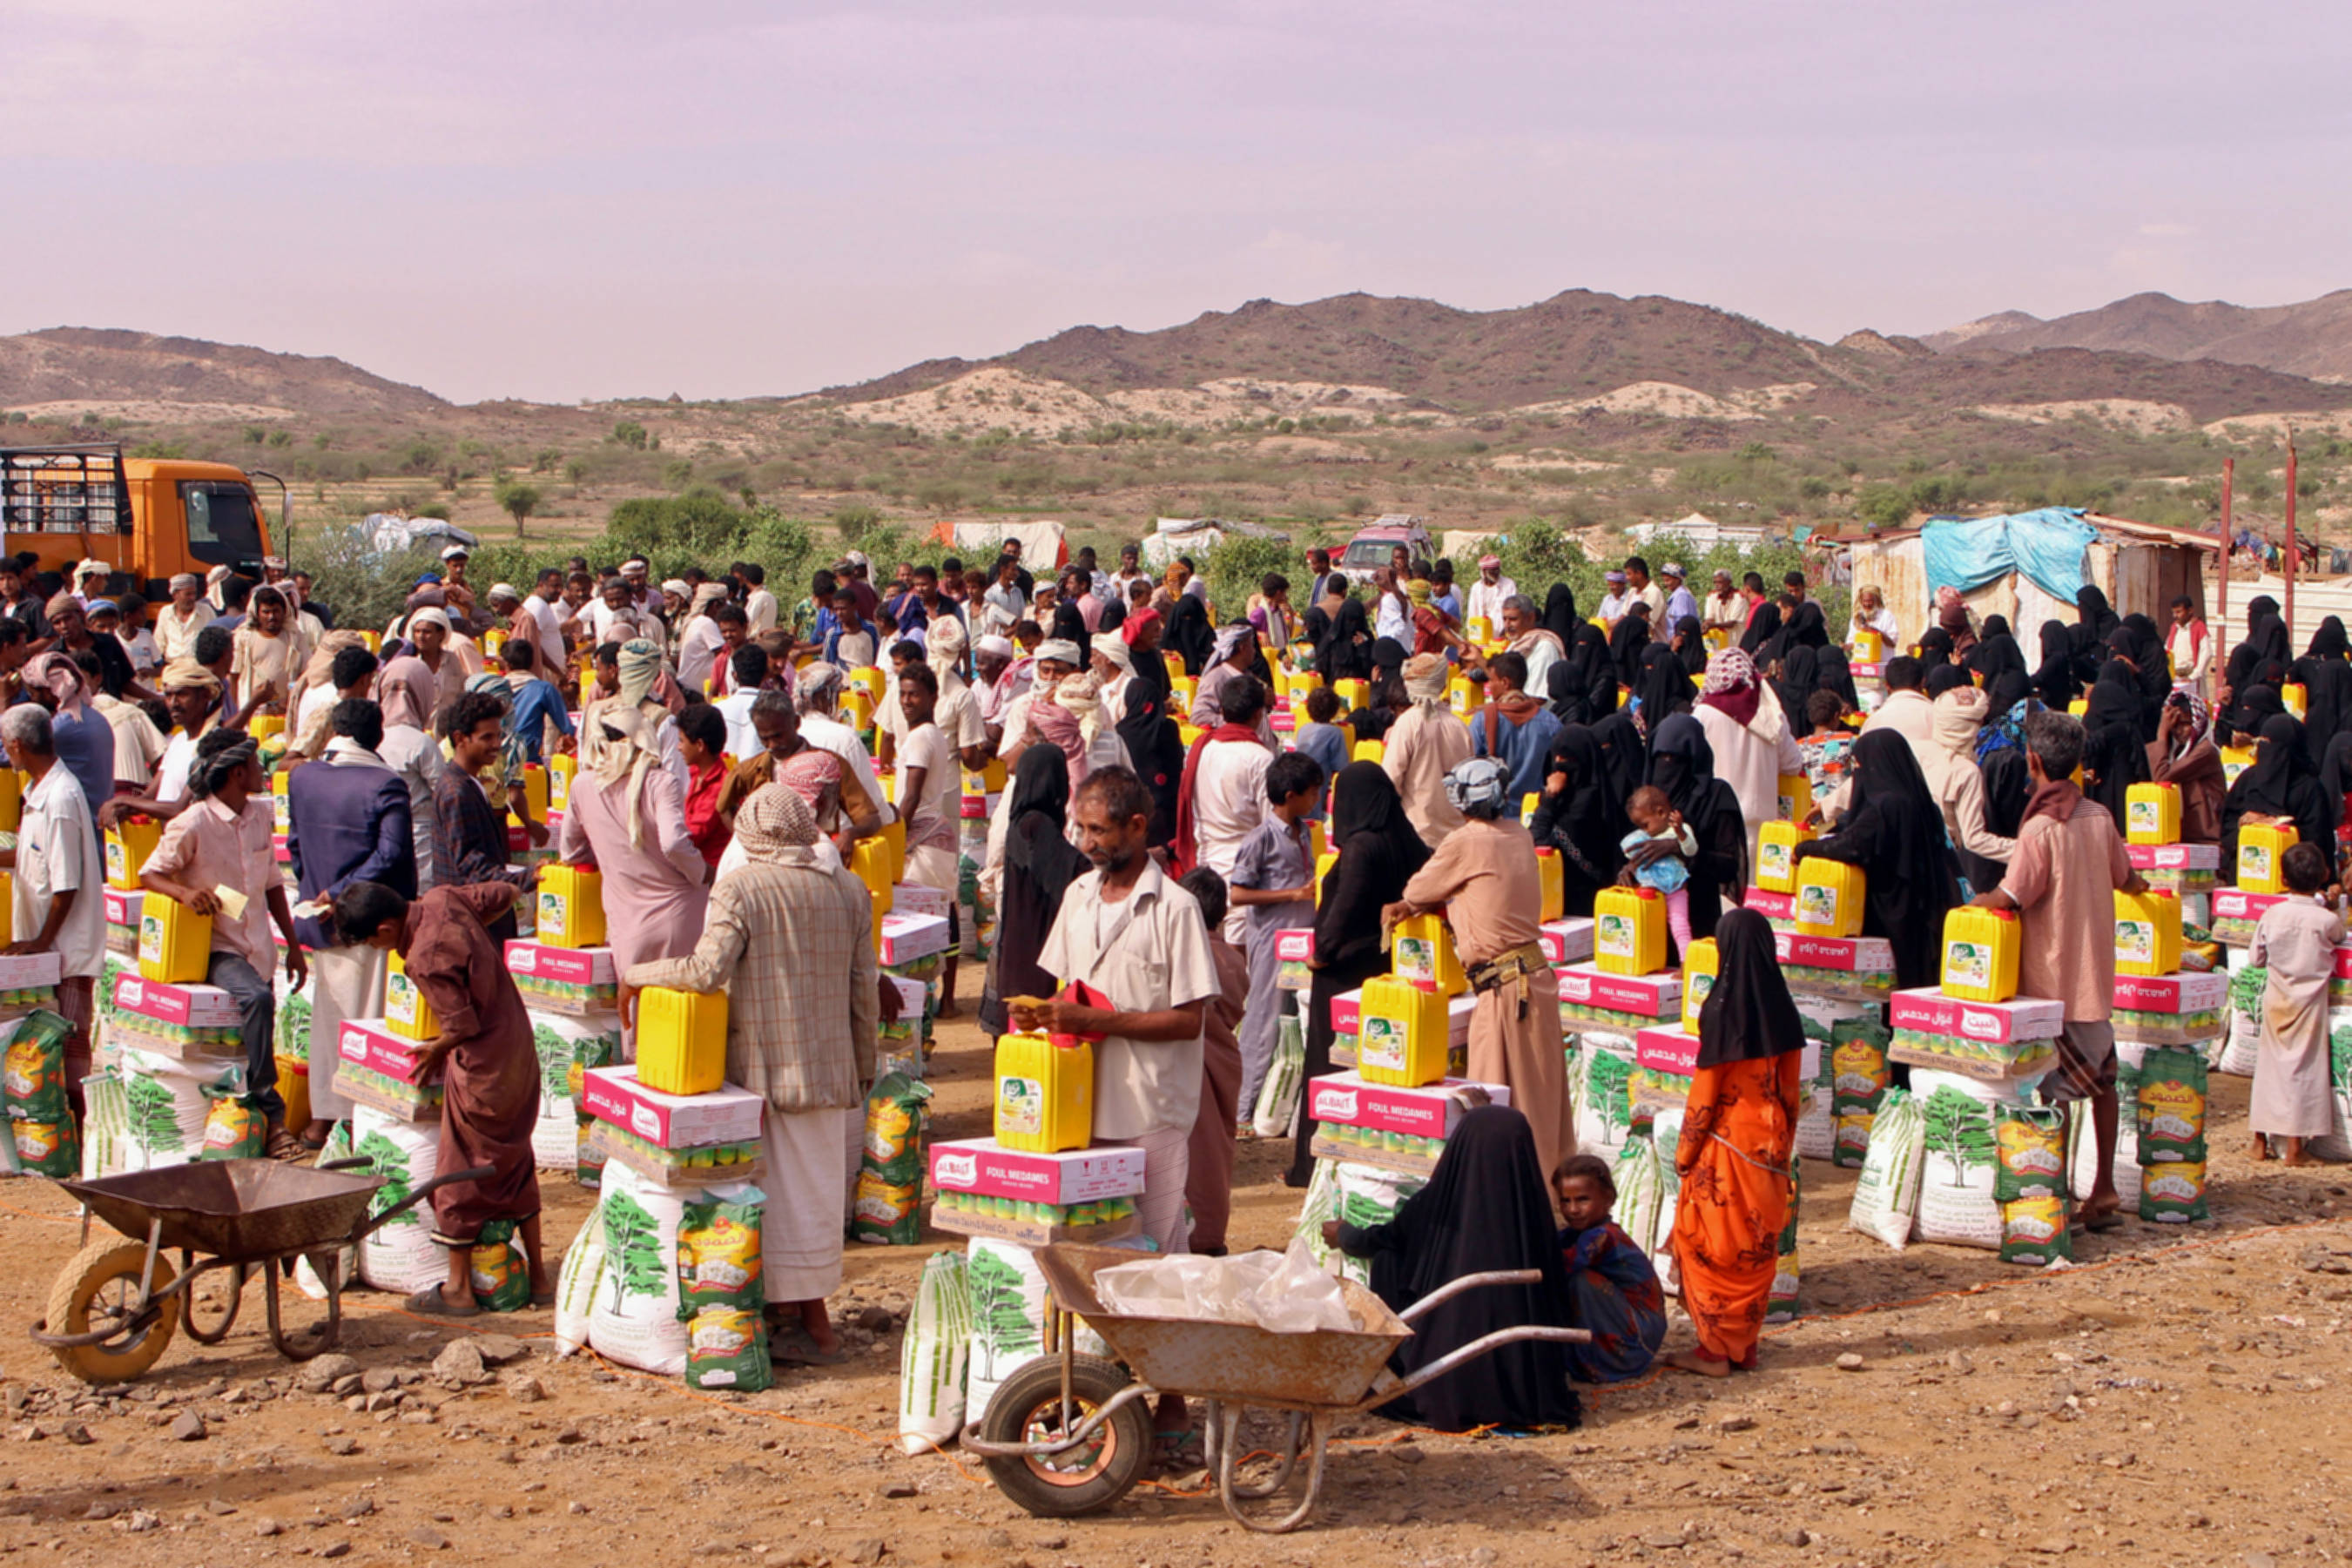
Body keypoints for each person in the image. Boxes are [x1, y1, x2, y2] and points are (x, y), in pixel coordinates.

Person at [625, 784, 876, 1363]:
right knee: (813, 1193)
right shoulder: (848, 890)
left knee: (771, 1196)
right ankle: (806, 1318)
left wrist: (639, 974)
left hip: (762, 1069)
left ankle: (805, 1325)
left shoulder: (743, 886)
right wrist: (863, 1066)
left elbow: (706, 969)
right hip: (830, 1069)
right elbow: (864, 986)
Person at [1015, 766, 1216, 1266]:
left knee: (1156, 1250)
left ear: (1137, 826)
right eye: (1081, 829)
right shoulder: (1079, 896)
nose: (1087, 843)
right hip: (1079, 1107)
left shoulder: (1177, 908)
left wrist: (1098, 1023)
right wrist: (1045, 1016)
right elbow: (1068, 990)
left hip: (1149, 1109)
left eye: (1099, 830)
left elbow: (1188, 1021)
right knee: (1096, 1248)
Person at [335, 879, 549, 1316]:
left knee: (458, 1173)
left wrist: (435, 1049)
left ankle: (458, 1290)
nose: (378, 952)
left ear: (384, 930)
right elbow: (502, 894)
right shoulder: (443, 898)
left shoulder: (424, 959)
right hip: (521, 1051)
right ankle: (540, 1279)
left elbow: (462, 1026)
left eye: (374, 944)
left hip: (486, 1067)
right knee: (513, 1159)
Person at [1970, 710, 2141, 1233]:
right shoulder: (2100, 819)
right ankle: (2104, 1187)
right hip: (2095, 977)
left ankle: (2061, 1194)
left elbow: (2014, 895)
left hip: (2050, 979)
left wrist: (1975, 904)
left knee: (2056, 1092)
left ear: (2034, 762)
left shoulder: (2040, 829)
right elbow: (2127, 879)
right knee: (2103, 1082)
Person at [1322, 1107, 1581, 1430]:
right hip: (1526, 1387)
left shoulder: (1438, 1203)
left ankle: (1401, 1364)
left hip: (1443, 1381)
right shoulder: (1533, 1213)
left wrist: (1344, 1234)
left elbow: (1387, 1237)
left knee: (1390, 1258)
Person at [1387, 757, 1576, 1180]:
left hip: (1506, 989)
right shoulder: (1519, 834)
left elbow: (1418, 888)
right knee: (1541, 1102)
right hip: (1534, 977)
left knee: (1500, 1103)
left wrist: (1412, 904)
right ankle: (1548, 1196)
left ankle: (1514, 1203)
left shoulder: (1465, 842)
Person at [139, 731, 307, 1159]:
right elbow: (150, 872)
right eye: (255, 765)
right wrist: (184, 895)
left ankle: (252, 1116)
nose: (262, 773)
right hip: (218, 944)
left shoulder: (256, 817)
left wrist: (292, 944)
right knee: (255, 1000)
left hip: (257, 944)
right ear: (237, 772)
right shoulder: (193, 822)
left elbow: (271, 885)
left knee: (261, 1011)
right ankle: (272, 1115)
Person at [1665, 908, 1803, 1376]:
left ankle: (1714, 1351)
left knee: (1711, 1243)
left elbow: (1704, 1096)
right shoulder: (1783, 1009)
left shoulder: (1721, 1011)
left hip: (1726, 1148)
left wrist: (1685, 1155)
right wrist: (1782, 1146)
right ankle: (1745, 1345)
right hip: (1770, 1148)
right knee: (1757, 1245)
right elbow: (1790, 1095)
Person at [1284, 762, 1430, 1184]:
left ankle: (1317, 1165)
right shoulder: (1404, 836)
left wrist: (1322, 951)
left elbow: (1346, 905)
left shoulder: (1363, 846)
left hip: (1345, 970)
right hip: (1387, 966)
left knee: (1330, 1065)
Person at [286, 698, 418, 1144]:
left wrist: (319, 893)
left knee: (329, 1018)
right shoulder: (386, 784)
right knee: (370, 1016)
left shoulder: (302, 777)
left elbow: (296, 845)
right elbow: (392, 852)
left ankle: (324, 1115)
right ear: (376, 736)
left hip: (321, 920)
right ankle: (353, 1114)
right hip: (372, 916)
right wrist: (342, 892)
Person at [558, 644, 711, 993]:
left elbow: (570, 848)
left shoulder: (586, 770)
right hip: (676, 903)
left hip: (622, 905)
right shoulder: (662, 740)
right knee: (674, 1010)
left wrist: (608, 852)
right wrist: (701, 873)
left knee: (631, 1008)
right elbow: (674, 835)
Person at [1793, 730, 1961, 991]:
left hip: (1893, 909)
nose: (1858, 772)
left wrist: (1805, 849)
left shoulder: (1886, 805)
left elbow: (1854, 846)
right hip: (1923, 904)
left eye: (1859, 765)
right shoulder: (1917, 801)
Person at [0, 705, 104, 1114]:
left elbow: (66, 884)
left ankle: (78, 1129)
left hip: (66, 947)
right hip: (46, 946)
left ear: (18, 746)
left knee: (70, 1042)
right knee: (47, 1044)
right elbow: (32, 858)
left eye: (8, 750)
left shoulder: (59, 798)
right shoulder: (38, 793)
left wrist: (41, 942)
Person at [1226, 752, 1320, 1123]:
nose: (1317, 798)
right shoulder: (1260, 839)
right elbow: (1238, 894)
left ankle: (1277, 1104)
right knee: (1263, 1020)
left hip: (1302, 939)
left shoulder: (1304, 832)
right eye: (1313, 792)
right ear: (1291, 794)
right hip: (1272, 941)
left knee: (1293, 1020)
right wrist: (1292, 895)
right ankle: (1243, 1107)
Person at [2249, 843, 2343, 1166]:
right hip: (2309, 1004)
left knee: (2269, 1067)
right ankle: (2294, 1148)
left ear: (2282, 878)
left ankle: (2259, 1142)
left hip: (2277, 999)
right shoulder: (2325, 921)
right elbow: (2340, 937)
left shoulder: (2272, 914)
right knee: (2304, 1070)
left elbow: (2256, 958)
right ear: (2325, 875)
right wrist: (2330, 906)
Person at [1177, 867, 1250, 1257]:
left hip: (1186, 1062)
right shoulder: (1231, 959)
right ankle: (1208, 1236)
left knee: (1188, 1155)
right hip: (1222, 1062)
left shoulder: (1179, 952)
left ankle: (1190, 1237)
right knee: (1213, 1155)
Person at [1553, 1154, 1666, 1384]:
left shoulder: (1605, 1237)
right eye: (1565, 1201)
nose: (1573, 1209)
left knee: (1581, 1281)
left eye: (1583, 1200)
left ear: (1609, 1199)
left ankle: (1600, 1362)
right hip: (1623, 1320)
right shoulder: (1574, 1235)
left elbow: (1559, 1265)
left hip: (1639, 1337)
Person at [431, 690, 532, 944]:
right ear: (460, 739)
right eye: (486, 737)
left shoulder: (469, 783)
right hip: (470, 925)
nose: (496, 745)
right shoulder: (457, 791)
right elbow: (472, 867)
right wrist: (528, 878)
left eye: (498, 736)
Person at [1690, 649, 1803, 872]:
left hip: (1718, 818)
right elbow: (1793, 764)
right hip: (1763, 819)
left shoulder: (1703, 714)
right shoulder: (1770, 714)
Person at [892, 663, 965, 1011]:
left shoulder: (921, 737)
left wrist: (894, 841)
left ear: (932, 697)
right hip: (934, 834)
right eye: (903, 693)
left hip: (922, 837)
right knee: (945, 912)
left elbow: (911, 795)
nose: (907, 701)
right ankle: (947, 996)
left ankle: (933, 996)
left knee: (921, 920)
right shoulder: (932, 734)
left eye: (914, 694)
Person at [1643, 715, 1746, 942]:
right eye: (1661, 758)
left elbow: (1729, 865)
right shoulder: (1645, 799)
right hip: (1649, 917)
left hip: (1698, 917)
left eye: (1675, 758)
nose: (1666, 766)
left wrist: (1682, 849)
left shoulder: (1717, 797)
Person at [1529, 729, 1628, 918]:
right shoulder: (1577, 796)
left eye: (1567, 759)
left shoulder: (1586, 804)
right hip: (1562, 898)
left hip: (1580, 904)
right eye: (1555, 757)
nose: (1558, 764)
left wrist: (1549, 800)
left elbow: (1537, 838)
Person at [2223, 713, 2334, 877]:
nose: (2267, 750)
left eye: (2272, 744)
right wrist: (2242, 825)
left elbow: (2317, 840)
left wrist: (2275, 826)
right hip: (2246, 877)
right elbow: (2227, 825)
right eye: (2264, 743)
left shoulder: (2309, 788)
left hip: (2294, 881)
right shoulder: (2248, 779)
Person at [1384, 653, 1473, 845]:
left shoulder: (1407, 723)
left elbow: (1391, 781)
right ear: (1442, 686)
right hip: (1456, 834)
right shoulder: (1459, 726)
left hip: (1418, 833)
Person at [1618, 784, 1699, 956]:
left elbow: (1691, 850)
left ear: (1661, 813)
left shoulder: (1678, 830)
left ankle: (1686, 961)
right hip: (1650, 891)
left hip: (1675, 888)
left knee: (1680, 925)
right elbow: (1634, 860)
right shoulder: (1644, 837)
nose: (1644, 830)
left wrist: (1680, 834)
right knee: (1645, 924)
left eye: (1645, 825)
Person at [1470, 649, 1562, 800]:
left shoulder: (1482, 720)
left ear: (1505, 682)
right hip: (1532, 809)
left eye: (1491, 680)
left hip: (1494, 810)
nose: (1489, 686)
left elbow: (1471, 764)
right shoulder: (1550, 722)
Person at [2149, 691, 2224, 845]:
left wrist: (2162, 734)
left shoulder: (2205, 751)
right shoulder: (2176, 751)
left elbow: (2162, 777)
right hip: (2182, 835)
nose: (2179, 731)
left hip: (2205, 837)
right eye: (2174, 726)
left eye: (2185, 724)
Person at [2167, 595, 2212, 692]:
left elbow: (2206, 653)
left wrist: (2193, 676)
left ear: (2190, 610)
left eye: (2179, 612)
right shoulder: (2174, 628)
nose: (2175, 616)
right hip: (2175, 677)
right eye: (2174, 612)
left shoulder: (2199, 627)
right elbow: (2167, 651)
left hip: (2191, 678)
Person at [1465, 555, 1516, 632]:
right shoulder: (1476, 588)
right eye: (1493, 571)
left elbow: (1513, 611)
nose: (1496, 573)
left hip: (1503, 633)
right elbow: (1472, 614)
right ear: (1484, 572)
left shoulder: (1509, 585)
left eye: (1497, 570)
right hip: (1481, 633)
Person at [1846, 584, 1899, 657]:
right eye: (1864, 601)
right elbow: (1852, 642)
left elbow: (1892, 643)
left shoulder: (1887, 616)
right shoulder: (1856, 618)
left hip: (1882, 663)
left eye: (1870, 601)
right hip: (1862, 663)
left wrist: (1874, 631)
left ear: (1877, 600)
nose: (1867, 604)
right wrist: (1845, 647)